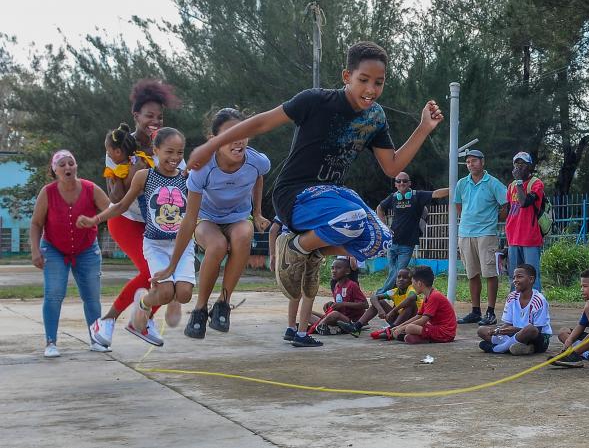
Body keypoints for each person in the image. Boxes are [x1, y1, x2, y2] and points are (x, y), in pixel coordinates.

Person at [186, 41, 444, 348]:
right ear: (347, 75)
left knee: (381, 241)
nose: (371, 90)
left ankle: (309, 250)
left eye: (379, 83)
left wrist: (423, 128)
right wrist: (211, 146)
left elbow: (392, 167)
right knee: (354, 218)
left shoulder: (374, 118)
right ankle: (297, 246)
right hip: (294, 194)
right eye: (363, 80)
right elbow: (261, 122)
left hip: (330, 197)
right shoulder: (315, 101)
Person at [150, 108, 271, 339]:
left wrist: (257, 212)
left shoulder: (257, 161)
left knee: (244, 235)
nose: (238, 140)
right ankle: (200, 309)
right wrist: (172, 265)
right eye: (230, 134)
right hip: (206, 219)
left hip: (237, 218)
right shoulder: (203, 169)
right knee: (216, 245)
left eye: (243, 132)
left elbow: (259, 177)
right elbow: (188, 219)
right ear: (215, 140)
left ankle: (223, 304)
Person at [78, 128, 194, 343]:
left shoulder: (187, 178)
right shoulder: (139, 170)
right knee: (162, 288)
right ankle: (131, 310)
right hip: (152, 240)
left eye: (180, 153)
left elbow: (194, 213)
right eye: (169, 152)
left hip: (179, 241)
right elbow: (120, 204)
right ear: (156, 150)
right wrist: (96, 219)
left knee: (184, 294)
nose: (176, 158)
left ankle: (140, 315)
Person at [90, 80, 182, 348]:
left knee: (165, 276)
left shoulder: (167, 146)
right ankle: (106, 320)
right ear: (136, 116)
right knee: (149, 270)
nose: (155, 121)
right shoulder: (119, 147)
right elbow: (116, 197)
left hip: (156, 223)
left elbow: (181, 183)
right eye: (149, 115)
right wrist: (132, 170)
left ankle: (140, 320)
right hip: (125, 218)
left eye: (159, 116)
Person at [29, 150, 111, 357]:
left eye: (71, 163)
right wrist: (35, 250)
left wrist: (96, 219)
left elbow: (112, 210)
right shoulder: (47, 193)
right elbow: (36, 223)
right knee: (54, 294)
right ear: (54, 170)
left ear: (76, 166)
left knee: (91, 296)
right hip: (54, 249)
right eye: (62, 164)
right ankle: (51, 343)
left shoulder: (91, 189)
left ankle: (96, 340)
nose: (67, 167)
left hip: (87, 250)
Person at [453, 150, 508, 326]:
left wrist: (496, 218)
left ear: (482, 162)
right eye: (468, 162)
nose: (471, 164)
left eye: (474, 161)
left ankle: (490, 312)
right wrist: (467, 221)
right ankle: (475, 311)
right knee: (472, 274)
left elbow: (506, 203)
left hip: (487, 233)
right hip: (465, 233)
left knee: (490, 273)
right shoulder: (462, 183)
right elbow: (458, 204)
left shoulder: (492, 182)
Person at [375, 172, 448, 294]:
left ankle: (381, 293)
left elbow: (435, 194)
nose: (402, 183)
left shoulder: (417, 196)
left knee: (398, 271)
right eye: (398, 181)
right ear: (395, 184)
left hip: (407, 244)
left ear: (409, 183)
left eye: (404, 181)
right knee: (393, 272)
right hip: (392, 242)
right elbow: (380, 208)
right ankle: (395, 294)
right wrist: (384, 226)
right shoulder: (393, 197)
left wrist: (454, 188)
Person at [477, 263, 552, 355]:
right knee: (481, 330)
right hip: (515, 335)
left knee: (529, 329)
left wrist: (514, 330)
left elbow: (537, 330)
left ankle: (499, 348)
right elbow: (508, 323)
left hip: (536, 338)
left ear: (531, 279)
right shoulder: (512, 297)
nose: (515, 280)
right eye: (514, 277)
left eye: (519, 277)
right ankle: (519, 348)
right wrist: (498, 330)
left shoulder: (539, 300)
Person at [338, 267, 421, 337]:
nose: (401, 279)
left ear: (411, 281)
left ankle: (392, 330)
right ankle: (357, 327)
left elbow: (412, 298)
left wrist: (393, 311)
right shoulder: (394, 291)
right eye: (398, 277)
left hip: (413, 321)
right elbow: (374, 297)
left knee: (410, 304)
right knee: (379, 302)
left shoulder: (411, 289)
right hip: (398, 321)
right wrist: (380, 310)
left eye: (405, 278)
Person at [505, 152, 544, 291]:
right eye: (516, 163)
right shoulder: (511, 186)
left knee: (532, 275)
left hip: (529, 237)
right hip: (513, 237)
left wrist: (520, 182)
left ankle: (535, 305)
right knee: (514, 275)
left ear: (529, 166)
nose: (519, 167)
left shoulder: (536, 184)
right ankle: (514, 305)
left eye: (522, 164)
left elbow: (524, 202)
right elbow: (510, 211)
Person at [390, 265, 456, 344]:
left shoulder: (434, 296)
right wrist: (398, 327)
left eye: (412, 283)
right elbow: (418, 316)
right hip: (436, 329)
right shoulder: (427, 296)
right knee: (408, 336)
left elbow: (423, 320)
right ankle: (421, 338)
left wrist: (402, 328)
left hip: (445, 332)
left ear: (419, 283)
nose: (412, 286)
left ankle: (427, 338)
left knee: (410, 328)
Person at [310, 258, 368, 335]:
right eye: (332, 268)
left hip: (350, 321)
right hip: (338, 318)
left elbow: (365, 304)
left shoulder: (352, 285)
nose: (334, 271)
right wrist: (331, 304)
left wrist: (342, 304)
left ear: (347, 271)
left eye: (338, 268)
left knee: (334, 314)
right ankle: (326, 327)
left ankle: (318, 327)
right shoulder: (336, 285)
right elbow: (339, 302)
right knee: (308, 313)